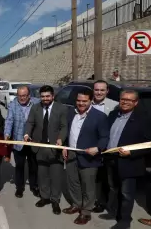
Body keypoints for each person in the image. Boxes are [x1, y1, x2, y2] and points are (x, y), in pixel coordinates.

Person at [99, 90, 151, 229]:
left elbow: (149, 145)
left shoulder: (144, 120)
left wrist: (131, 153)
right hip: (111, 159)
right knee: (113, 188)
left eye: (129, 100)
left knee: (127, 194)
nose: (125, 102)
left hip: (130, 163)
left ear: (136, 102)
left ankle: (125, 221)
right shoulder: (113, 115)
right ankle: (114, 212)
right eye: (123, 99)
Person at [61, 88, 110, 225]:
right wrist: (65, 146)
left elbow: (105, 137)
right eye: (78, 100)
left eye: (84, 101)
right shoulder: (71, 113)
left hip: (89, 157)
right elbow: (68, 131)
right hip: (71, 154)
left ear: (90, 101)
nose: (81, 103)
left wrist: (98, 148)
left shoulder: (99, 117)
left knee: (88, 186)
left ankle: (86, 212)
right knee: (73, 182)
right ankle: (76, 204)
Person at [24, 85, 68, 215]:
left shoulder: (61, 108)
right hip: (40, 147)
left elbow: (64, 126)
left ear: (53, 96)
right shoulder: (35, 108)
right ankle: (45, 197)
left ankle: (55, 200)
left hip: (55, 147)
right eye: (42, 96)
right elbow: (30, 123)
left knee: (56, 176)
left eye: (47, 96)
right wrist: (27, 134)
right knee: (42, 175)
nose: (45, 99)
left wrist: (61, 139)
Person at [4, 85, 40, 198]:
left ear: (29, 95)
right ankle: (19, 187)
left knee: (33, 165)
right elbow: (9, 120)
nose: (22, 98)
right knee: (19, 166)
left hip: (32, 141)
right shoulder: (13, 104)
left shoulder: (37, 103)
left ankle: (34, 186)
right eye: (19, 96)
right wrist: (7, 134)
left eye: (24, 96)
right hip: (18, 141)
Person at [91, 80, 119, 213]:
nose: (99, 92)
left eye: (102, 90)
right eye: (96, 90)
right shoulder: (86, 104)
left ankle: (103, 202)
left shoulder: (115, 106)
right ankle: (90, 199)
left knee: (105, 178)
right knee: (91, 176)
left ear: (107, 91)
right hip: (88, 147)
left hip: (106, 148)